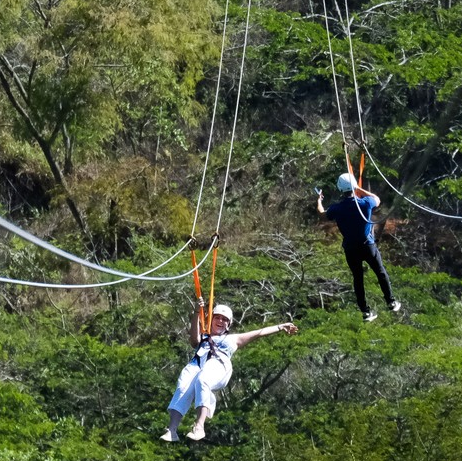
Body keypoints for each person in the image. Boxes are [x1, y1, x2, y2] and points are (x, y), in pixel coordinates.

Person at [162, 303, 297, 442]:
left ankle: (199, 426)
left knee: (203, 380)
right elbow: (193, 340)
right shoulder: (203, 336)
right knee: (183, 387)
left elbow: (259, 332)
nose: (220, 321)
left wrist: (280, 327)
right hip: (198, 363)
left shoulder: (233, 339)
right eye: (217, 318)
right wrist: (197, 311)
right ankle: (172, 430)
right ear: (211, 319)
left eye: (224, 319)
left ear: (229, 324)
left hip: (219, 364)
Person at [318, 172, 401, 322]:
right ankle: (391, 302)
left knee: (358, 278)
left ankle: (365, 312)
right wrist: (359, 189)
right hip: (367, 245)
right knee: (380, 272)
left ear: (340, 189)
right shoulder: (365, 202)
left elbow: (322, 214)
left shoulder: (337, 208)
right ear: (354, 187)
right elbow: (377, 199)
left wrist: (318, 200)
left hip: (351, 248)